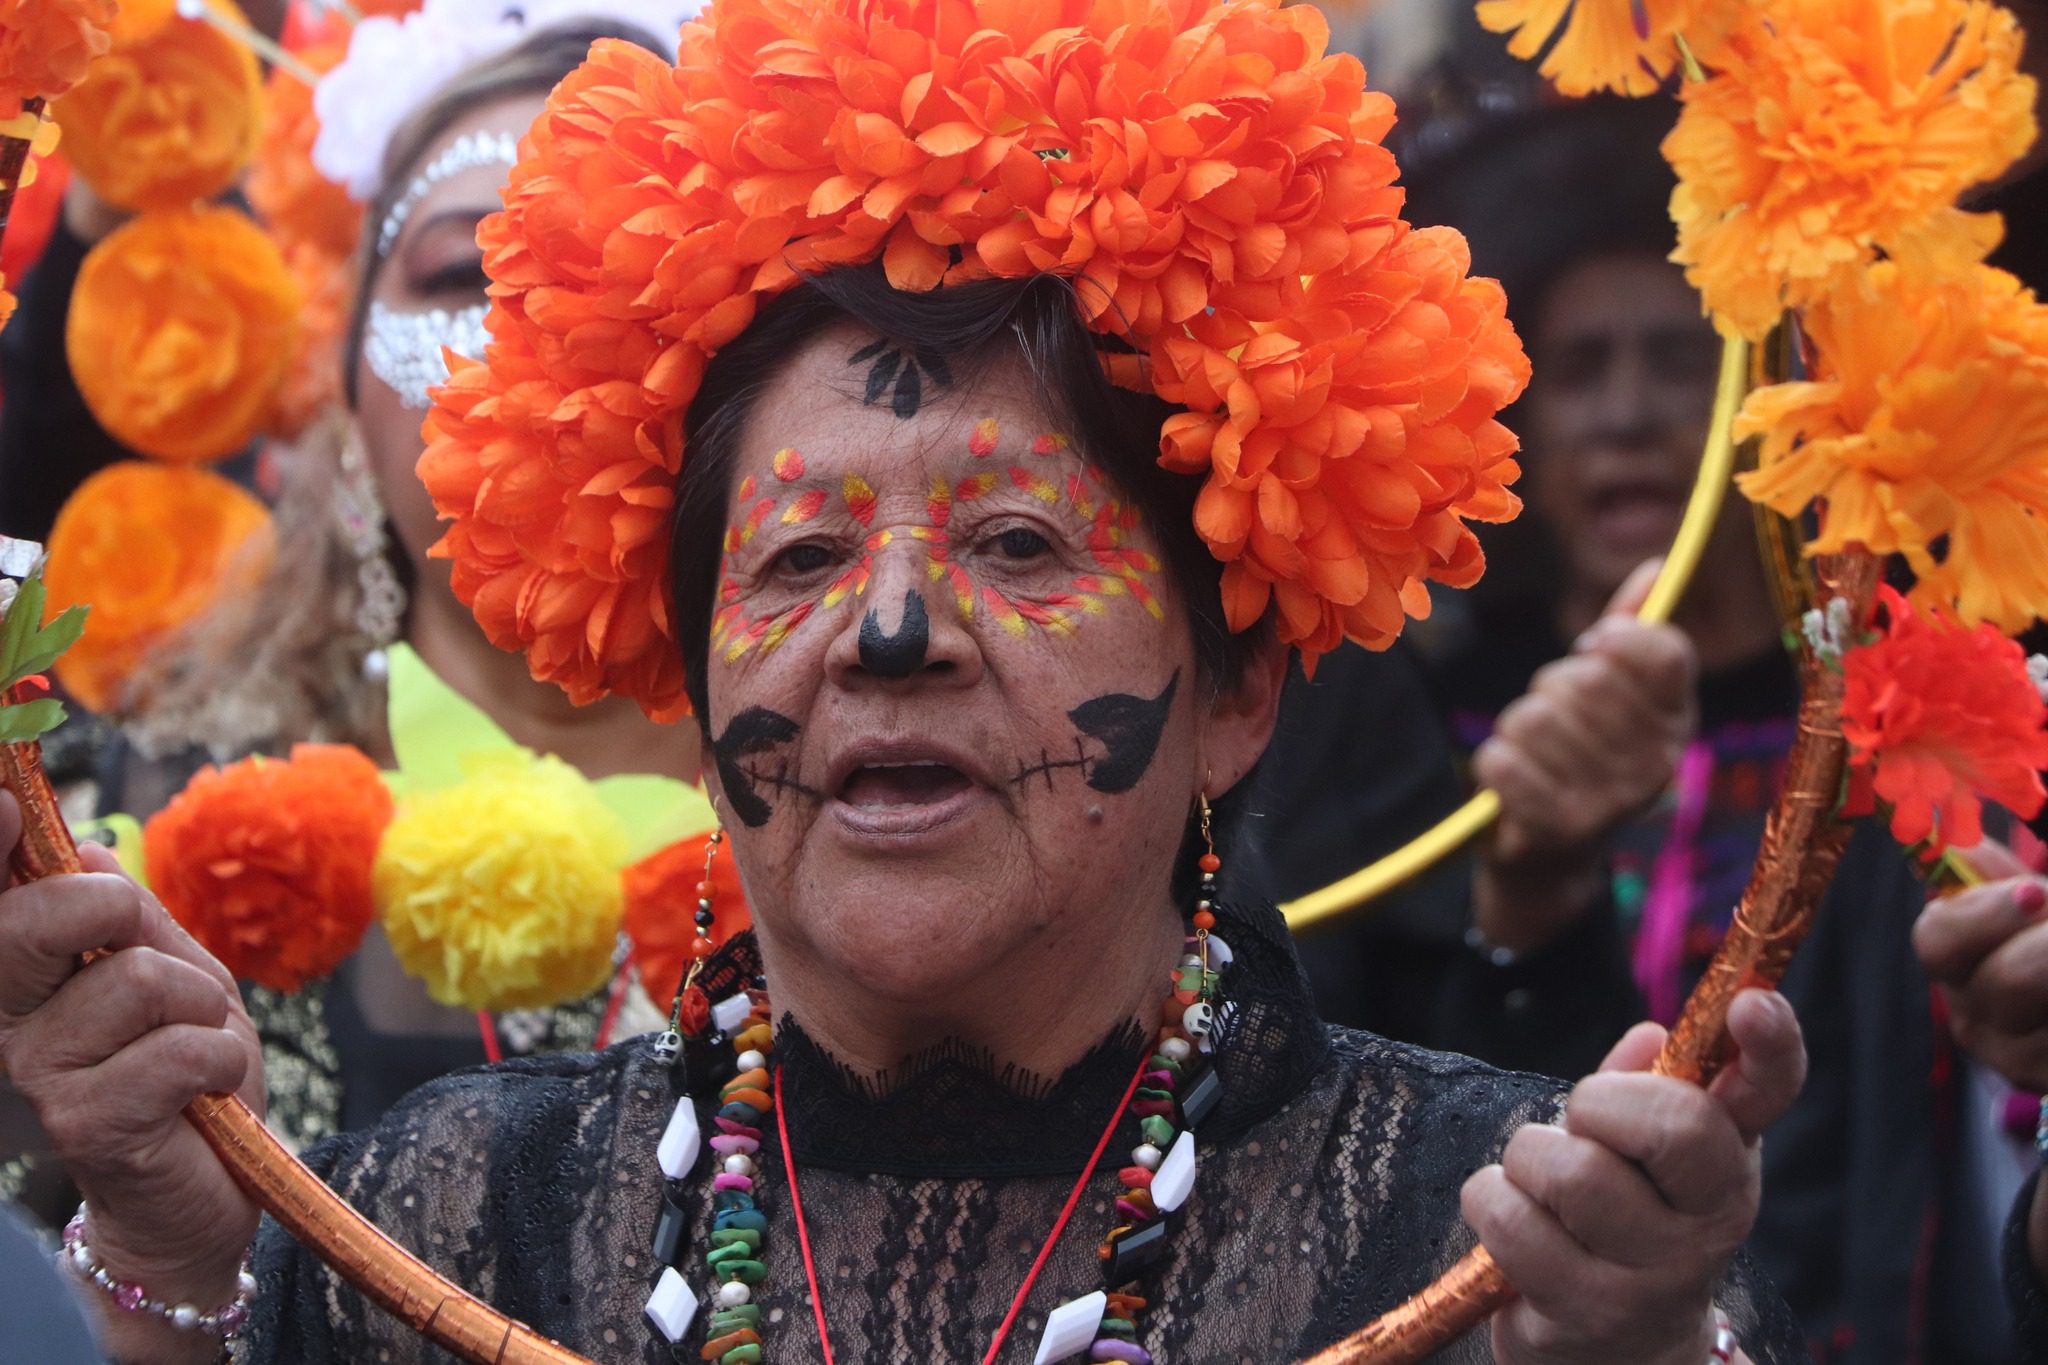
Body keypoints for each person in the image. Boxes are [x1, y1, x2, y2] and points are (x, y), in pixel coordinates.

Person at [0, 5, 1999, 1361]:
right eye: (791, 557)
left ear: (1234, 691)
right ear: (688, 692)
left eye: (1021, 546)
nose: (883, 634)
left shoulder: (1494, 1232)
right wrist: (180, 1268)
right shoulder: (435, 1210)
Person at [1255, 100, 2031, 1364]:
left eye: (1676, 361)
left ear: (1768, 405)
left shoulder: (1891, 745)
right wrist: (1527, 892)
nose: (1624, 414)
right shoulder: (1400, 740)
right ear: (1515, 419)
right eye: (1578, 368)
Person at [0, 10, 714, 1231]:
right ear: (343, 392)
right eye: (462, 275)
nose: (541, 338)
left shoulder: (918, 825)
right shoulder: (80, 840)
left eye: (624, 274)